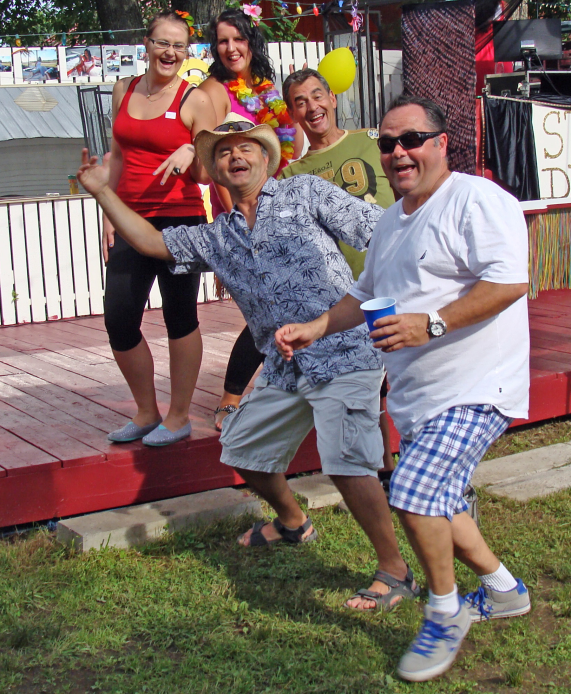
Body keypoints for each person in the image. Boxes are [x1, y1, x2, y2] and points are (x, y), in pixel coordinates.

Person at [77, 115, 419, 612]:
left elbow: (379, 231)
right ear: (215, 170)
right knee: (241, 448)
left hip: (344, 350)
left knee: (347, 462)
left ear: (266, 157)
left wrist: (402, 300)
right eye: (224, 151)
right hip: (284, 366)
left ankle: (395, 570)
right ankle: (294, 523)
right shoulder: (217, 237)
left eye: (246, 147)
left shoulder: (305, 192)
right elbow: (152, 243)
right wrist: (102, 192)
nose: (235, 156)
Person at [275, 95, 531, 681]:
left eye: (411, 139)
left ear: (441, 143)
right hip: (420, 395)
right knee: (444, 504)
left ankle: (444, 611)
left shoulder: (476, 199)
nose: (398, 153)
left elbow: (510, 282)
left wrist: (431, 323)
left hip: (477, 385)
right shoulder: (392, 220)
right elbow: (367, 294)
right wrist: (317, 326)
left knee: (415, 494)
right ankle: (504, 590)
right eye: (388, 143)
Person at [102, 10, 216, 447]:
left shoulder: (194, 100)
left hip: (180, 221)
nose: (170, 52)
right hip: (131, 220)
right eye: (162, 43)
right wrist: (109, 214)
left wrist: (192, 149)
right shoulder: (123, 89)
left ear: (187, 52)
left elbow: (208, 172)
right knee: (119, 318)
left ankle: (179, 416)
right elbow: (117, 155)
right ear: (147, 44)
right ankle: (146, 411)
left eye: (179, 46)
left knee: (179, 316)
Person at [280, 67, 397, 478]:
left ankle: (418, 462)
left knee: (413, 371)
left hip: (397, 276)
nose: (311, 107)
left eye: (317, 96)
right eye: (300, 102)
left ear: (332, 98)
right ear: (293, 114)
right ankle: (384, 470)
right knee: (370, 385)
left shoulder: (373, 141)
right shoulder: (291, 176)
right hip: (347, 298)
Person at [199, 8, 302, 430]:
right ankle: (229, 399)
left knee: (288, 301)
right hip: (243, 210)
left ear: (250, 41)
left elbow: (288, 146)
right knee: (266, 308)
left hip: (277, 205)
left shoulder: (265, 87)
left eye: (238, 39)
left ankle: (287, 386)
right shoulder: (214, 91)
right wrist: (238, 222)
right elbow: (214, 162)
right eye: (222, 41)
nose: (231, 48)